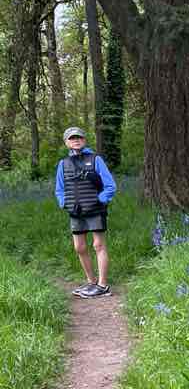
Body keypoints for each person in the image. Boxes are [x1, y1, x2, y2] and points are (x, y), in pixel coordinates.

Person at [54, 126, 117, 298]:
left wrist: (100, 200)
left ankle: (103, 286)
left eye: (79, 137)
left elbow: (110, 185)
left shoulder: (95, 159)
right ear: (66, 142)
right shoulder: (63, 164)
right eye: (72, 138)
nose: (76, 140)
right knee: (79, 247)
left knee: (98, 245)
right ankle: (91, 281)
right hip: (75, 211)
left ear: (84, 140)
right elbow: (59, 189)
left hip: (95, 209)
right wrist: (63, 203)